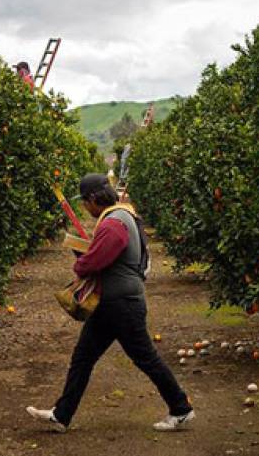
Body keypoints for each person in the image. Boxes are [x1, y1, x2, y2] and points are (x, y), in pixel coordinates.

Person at [26, 174, 195, 433]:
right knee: (83, 357)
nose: (85, 208)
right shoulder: (124, 216)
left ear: (94, 198)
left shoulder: (114, 223)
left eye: (84, 202)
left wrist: (80, 261)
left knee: (145, 358)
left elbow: (94, 262)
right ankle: (62, 415)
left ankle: (181, 409)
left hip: (121, 305)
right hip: (111, 303)